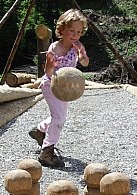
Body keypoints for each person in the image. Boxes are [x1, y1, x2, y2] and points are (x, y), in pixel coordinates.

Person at [29, 9, 89, 167]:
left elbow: (85, 63)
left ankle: (40, 130)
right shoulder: (54, 48)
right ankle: (47, 152)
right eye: (71, 31)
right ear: (61, 30)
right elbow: (48, 72)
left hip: (66, 89)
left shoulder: (78, 46)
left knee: (58, 116)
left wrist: (82, 55)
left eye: (79, 32)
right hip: (51, 85)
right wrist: (49, 66)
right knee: (60, 118)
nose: (75, 35)